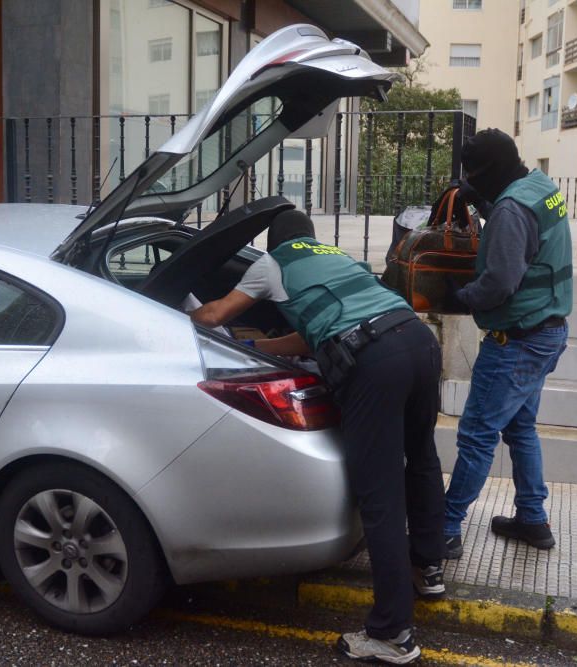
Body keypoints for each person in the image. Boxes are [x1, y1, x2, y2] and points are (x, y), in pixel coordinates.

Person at [190, 209, 445, 665]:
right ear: (312, 237)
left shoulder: (271, 264)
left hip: (376, 363)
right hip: (418, 342)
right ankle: (428, 567)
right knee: (421, 456)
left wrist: (184, 315)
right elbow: (318, 332)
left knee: (380, 492)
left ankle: (391, 633)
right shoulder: (335, 257)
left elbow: (215, 314)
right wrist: (259, 347)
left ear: (275, 243)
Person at [443, 128, 573, 559]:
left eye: (477, 178)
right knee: (520, 427)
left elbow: (499, 282)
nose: (475, 185)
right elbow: (515, 217)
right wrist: (478, 198)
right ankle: (533, 519)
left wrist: (459, 297)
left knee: (478, 434)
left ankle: (444, 528)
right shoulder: (539, 186)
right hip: (547, 331)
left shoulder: (511, 210)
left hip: (516, 340)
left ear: (493, 172)